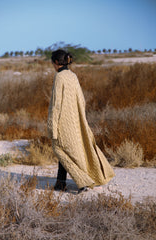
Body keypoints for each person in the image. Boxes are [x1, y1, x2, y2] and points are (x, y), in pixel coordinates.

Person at [47, 49, 115, 193]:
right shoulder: (73, 76)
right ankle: (60, 183)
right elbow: (81, 100)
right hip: (76, 121)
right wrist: (79, 118)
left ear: (57, 62)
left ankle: (83, 182)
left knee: (60, 150)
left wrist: (52, 127)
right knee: (69, 152)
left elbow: (56, 104)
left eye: (52, 62)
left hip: (63, 123)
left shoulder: (59, 77)